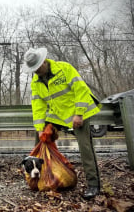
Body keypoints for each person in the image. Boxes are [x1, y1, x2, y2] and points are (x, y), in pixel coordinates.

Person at [23, 47, 101, 199]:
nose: (36, 72)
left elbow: (81, 90)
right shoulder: (36, 81)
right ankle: (41, 174)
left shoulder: (64, 68)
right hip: (58, 115)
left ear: (44, 62)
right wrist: (40, 129)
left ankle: (94, 185)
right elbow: (38, 106)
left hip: (79, 111)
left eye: (38, 68)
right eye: (33, 70)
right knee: (40, 136)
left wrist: (79, 114)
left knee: (85, 147)